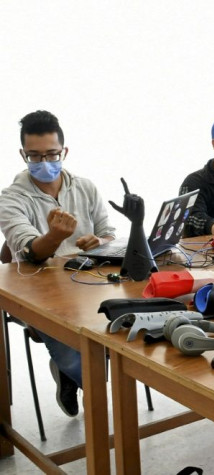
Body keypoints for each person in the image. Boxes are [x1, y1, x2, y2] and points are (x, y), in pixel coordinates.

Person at [0, 110, 116, 417]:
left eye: (51, 154)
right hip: (38, 291)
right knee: (82, 354)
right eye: (35, 157)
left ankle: (78, 372)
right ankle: (86, 384)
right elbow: (27, 253)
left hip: (87, 281)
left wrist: (98, 241)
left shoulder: (85, 187)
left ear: (64, 151)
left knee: (123, 319)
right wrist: (54, 236)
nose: (44, 163)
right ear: (23, 155)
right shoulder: (11, 198)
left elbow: (108, 234)